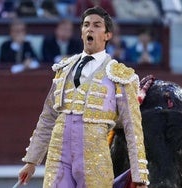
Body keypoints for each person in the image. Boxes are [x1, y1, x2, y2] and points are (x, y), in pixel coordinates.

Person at [18, 6, 149, 188]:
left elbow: (132, 127)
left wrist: (139, 174)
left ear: (107, 35)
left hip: (94, 156)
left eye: (96, 25)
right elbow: (48, 118)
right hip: (58, 154)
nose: (90, 29)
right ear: (81, 32)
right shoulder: (63, 69)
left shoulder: (120, 75)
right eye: (86, 25)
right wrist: (31, 161)